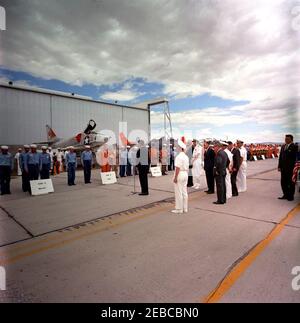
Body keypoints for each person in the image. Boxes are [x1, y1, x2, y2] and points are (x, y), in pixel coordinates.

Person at [278, 134, 297, 201]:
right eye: (285, 139)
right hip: (283, 168)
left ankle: (291, 196)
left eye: (287, 139)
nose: (286, 140)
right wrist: (279, 166)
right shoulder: (283, 146)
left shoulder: (294, 146)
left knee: (291, 182)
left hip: (291, 168)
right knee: (283, 182)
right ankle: (285, 195)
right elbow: (280, 157)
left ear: (291, 139)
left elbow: (295, 158)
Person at [172, 140, 189, 214]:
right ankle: (185, 208)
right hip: (185, 173)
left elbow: (177, 168)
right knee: (184, 192)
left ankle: (179, 209)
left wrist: (175, 177)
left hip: (180, 174)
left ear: (180, 148)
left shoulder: (179, 157)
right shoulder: (186, 156)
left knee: (178, 192)